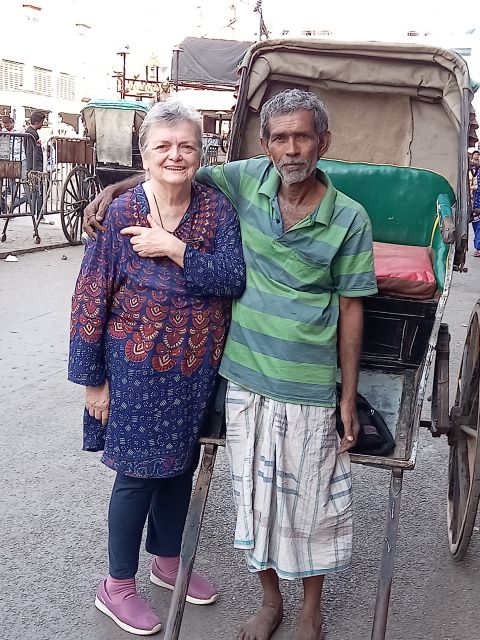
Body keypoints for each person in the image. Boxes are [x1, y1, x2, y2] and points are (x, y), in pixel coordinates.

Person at [84, 89, 377, 640]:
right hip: (229, 377)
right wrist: (117, 188)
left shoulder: (345, 217)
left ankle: (309, 609)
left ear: (324, 141)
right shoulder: (243, 182)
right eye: (280, 138)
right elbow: (173, 171)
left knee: (309, 503)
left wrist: (346, 396)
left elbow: (345, 306)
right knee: (249, 498)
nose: (292, 149)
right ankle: (262, 601)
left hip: (292, 381)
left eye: (303, 136)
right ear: (264, 145)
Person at [69, 100, 245, 636]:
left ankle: (167, 562)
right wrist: (93, 382)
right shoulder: (121, 213)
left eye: (186, 146)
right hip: (135, 369)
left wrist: (173, 248)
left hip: (194, 370)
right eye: (163, 146)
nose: (175, 156)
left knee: (180, 468)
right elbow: (90, 298)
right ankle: (116, 584)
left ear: (201, 154)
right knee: (138, 474)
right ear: (143, 155)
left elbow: (231, 278)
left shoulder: (215, 210)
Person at [23, 110, 53, 223]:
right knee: (39, 190)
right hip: (35, 166)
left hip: (35, 165)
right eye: (41, 122)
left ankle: (15, 205)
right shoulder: (31, 133)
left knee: (35, 191)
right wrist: (35, 167)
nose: (42, 124)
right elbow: (31, 152)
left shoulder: (31, 132)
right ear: (37, 122)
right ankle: (39, 215)